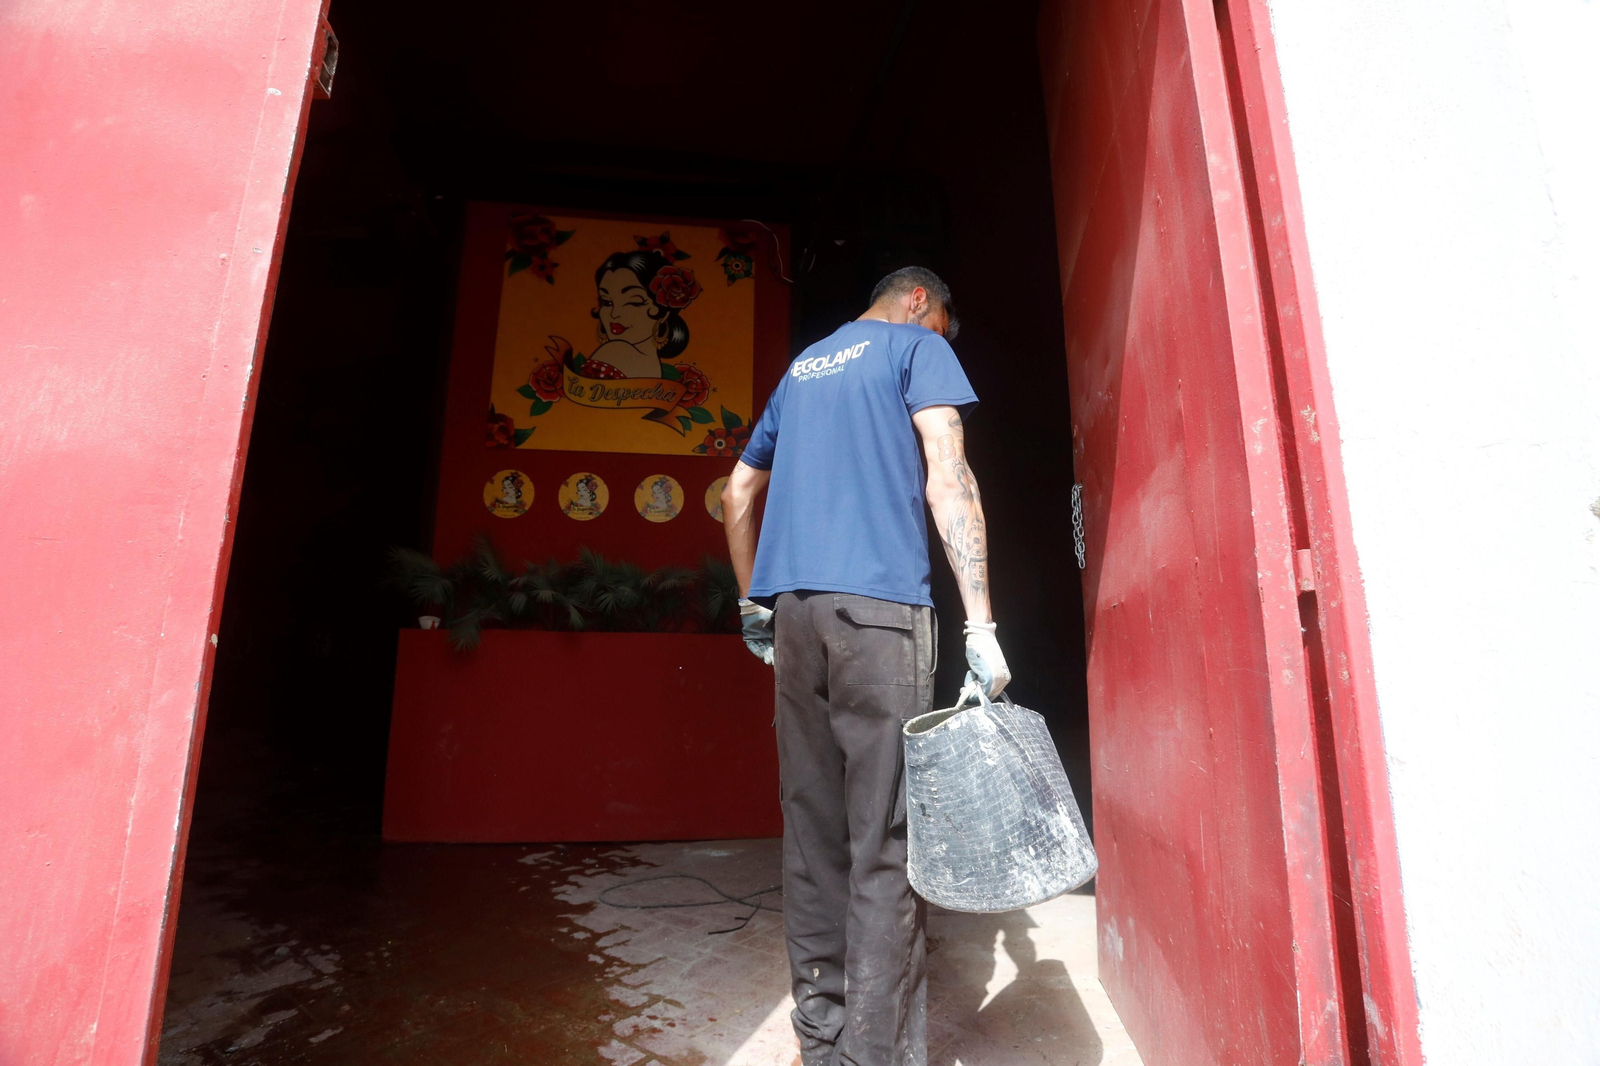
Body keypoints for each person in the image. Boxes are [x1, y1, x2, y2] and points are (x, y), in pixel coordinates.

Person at [720, 266, 1010, 1066]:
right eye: (944, 325)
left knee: (813, 837)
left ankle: (823, 1040)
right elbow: (948, 472)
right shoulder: (915, 348)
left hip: (796, 612)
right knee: (885, 839)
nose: (942, 340)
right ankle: (874, 1057)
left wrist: (753, 605)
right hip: (877, 615)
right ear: (921, 301)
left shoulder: (804, 366)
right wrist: (981, 623)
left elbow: (737, 494)